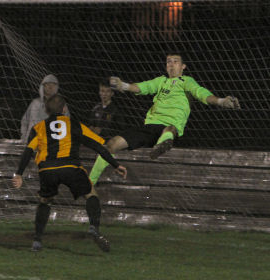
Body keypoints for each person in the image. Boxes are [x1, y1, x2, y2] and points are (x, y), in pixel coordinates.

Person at [89, 53, 240, 184]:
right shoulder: (161, 81)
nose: (171, 64)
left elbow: (202, 94)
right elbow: (142, 87)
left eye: (175, 61)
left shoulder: (187, 81)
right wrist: (123, 85)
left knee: (170, 129)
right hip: (150, 127)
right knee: (111, 144)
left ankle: (162, 144)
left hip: (170, 127)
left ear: (183, 66)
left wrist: (221, 101)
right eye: (168, 61)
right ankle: (89, 183)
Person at [12, 94, 127, 252]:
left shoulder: (38, 128)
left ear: (46, 110)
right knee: (91, 194)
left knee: (45, 201)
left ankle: (37, 241)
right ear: (64, 109)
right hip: (71, 167)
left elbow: (28, 151)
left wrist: (19, 173)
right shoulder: (74, 124)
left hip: (47, 170)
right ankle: (94, 227)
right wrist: (116, 164)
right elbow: (100, 146)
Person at [20, 74, 70, 143]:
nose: (50, 87)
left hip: (52, 145)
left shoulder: (61, 105)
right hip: (32, 143)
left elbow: (67, 124)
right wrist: (24, 138)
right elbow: (24, 121)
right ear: (43, 86)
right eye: (47, 84)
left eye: (53, 84)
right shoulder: (35, 103)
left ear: (57, 87)